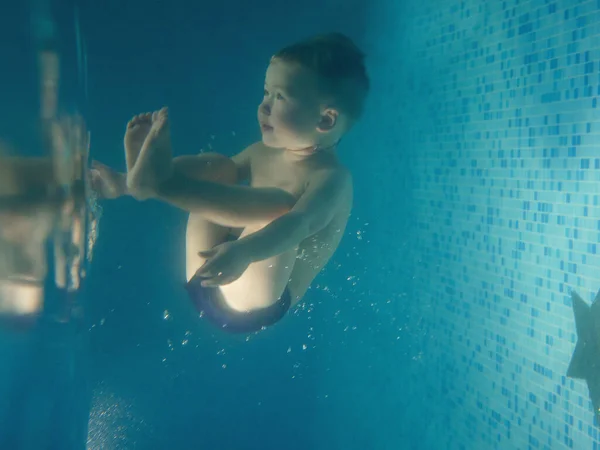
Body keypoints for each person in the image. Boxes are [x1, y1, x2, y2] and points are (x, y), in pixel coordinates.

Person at [94, 32, 370, 333]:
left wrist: (247, 252)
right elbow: (211, 178)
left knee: (280, 208)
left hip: (250, 303)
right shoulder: (262, 152)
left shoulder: (332, 179)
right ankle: (135, 182)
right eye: (266, 93)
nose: (264, 106)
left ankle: (159, 185)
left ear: (326, 121)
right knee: (221, 167)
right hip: (208, 267)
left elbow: (298, 226)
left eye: (280, 97)